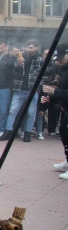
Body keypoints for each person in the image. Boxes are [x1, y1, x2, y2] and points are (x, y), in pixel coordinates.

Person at [0, 40, 42, 142]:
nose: (29, 49)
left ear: (36, 48)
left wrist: (38, 87)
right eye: (27, 47)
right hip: (20, 89)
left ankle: (27, 133)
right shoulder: (20, 58)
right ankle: (8, 131)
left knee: (31, 113)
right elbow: (14, 73)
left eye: (31, 47)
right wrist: (18, 65)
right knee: (12, 111)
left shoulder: (40, 59)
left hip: (32, 90)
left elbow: (41, 74)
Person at [42, 45, 68, 178]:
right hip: (65, 107)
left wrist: (54, 91)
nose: (58, 61)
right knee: (63, 133)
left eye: (61, 57)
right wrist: (50, 98)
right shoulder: (63, 70)